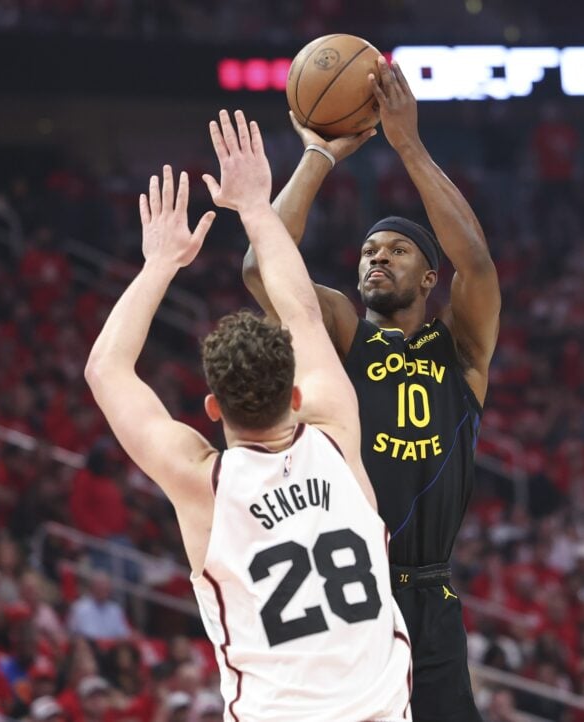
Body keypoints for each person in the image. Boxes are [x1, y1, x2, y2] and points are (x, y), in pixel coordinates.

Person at [85, 110, 411, 721]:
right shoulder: (337, 433)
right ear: (296, 395)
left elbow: (106, 370)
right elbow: (302, 315)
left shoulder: (201, 483)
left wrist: (160, 262)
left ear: (211, 409)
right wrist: (256, 207)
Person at [242, 55, 500, 722]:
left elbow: (473, 257)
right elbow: (258, 265)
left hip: (433, 594)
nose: (377, 256)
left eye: (397, 251)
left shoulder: (462, 348)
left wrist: (406, 141)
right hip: (354, 591)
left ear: (427, 280)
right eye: (368, 250)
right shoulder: (341, 336)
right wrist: (319, 156)